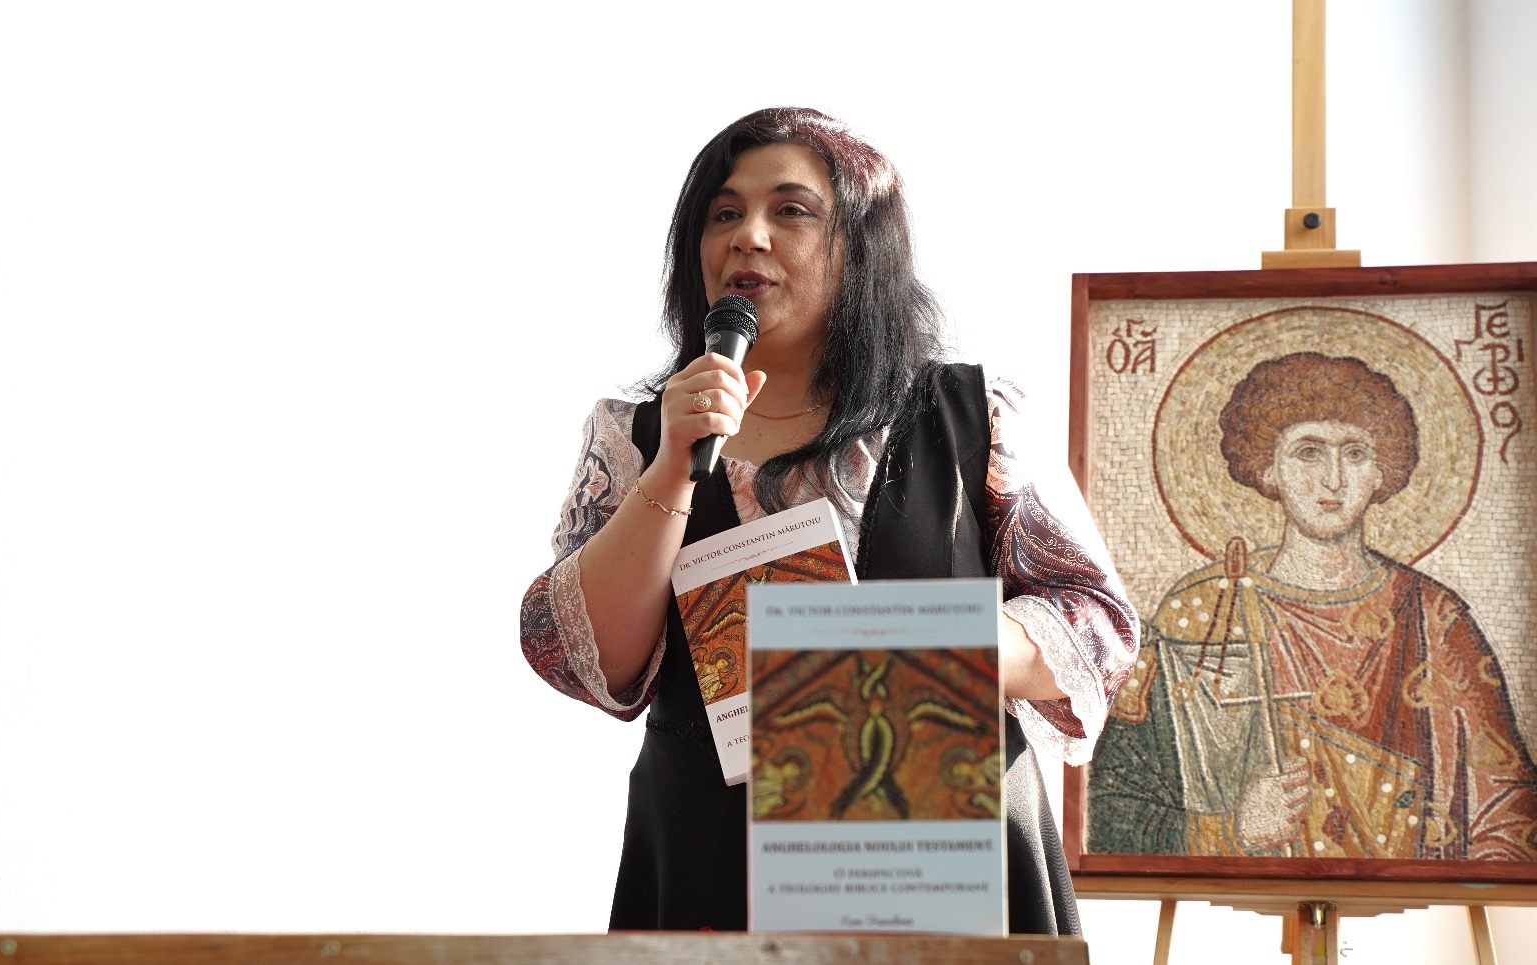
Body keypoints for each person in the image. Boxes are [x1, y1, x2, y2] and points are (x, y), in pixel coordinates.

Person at [520, 107, 1139, 933]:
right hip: (714, 872)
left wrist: (911, 647)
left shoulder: (972, 414)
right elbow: (585, 658)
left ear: (861, 245)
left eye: (792, 210)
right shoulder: (638, 438)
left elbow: (1098, 623)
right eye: (724, 213)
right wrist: (670, 468)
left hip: (944, 867)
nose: (749, 236)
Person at [1091, 351, 1537, 861]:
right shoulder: (1201, 613)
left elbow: (1509, 817)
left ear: (1381, 472)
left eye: (1355, 454)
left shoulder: (1435, 619)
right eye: (1308, 452)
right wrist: (1233, 830)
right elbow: (1110, 813)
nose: (1333, 480)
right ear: (1268, 467)